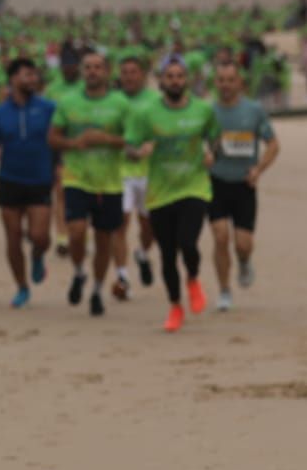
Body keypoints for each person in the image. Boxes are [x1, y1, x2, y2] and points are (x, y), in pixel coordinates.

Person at [126, 58, 216, 333]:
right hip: (160, 192)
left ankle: (193, 278)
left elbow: (215, 138)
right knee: (167, 253)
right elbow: (130, 146)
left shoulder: (203, 109)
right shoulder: (147, 113)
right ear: (161, 81)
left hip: (193, 186)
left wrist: (212, 153)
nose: (175, 81)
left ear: (187, 80)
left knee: (188, 242)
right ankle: (175, 305)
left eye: (179, 76)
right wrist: (139, 152)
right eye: (170, 76)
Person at [47, 51, 131, 317]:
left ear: (106, 72)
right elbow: (53, 138)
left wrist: (107, 139)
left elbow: (133, 139)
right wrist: (75, 143)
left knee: (104, 241)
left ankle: (96, 289)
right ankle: (79, 271)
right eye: (88, 67)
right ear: (82, 72)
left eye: (97, 67)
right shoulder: (68, 102)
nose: (92, 71)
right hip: (76, 178)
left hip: (109, 182)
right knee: (76, 231)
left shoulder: (120, 103)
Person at [0, 58, 57, 308]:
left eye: (34, 75)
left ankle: (37, 255)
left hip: (40, 179)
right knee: (13, 237)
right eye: (27, 75)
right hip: (10, 180)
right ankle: (22, 286)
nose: (32, 79)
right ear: (13, 79)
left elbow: (60, 137)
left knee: (40, 236)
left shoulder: (48, 108)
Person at [206, 61, 280, 311]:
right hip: (215, 182)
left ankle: (244, 261)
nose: (225, 85)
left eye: (230, 80)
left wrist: (258, 169)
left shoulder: (254, 110)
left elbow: (273, 144)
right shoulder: (207, 112)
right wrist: (205, 156)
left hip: (244, 184)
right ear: (215, 83)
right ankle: (224, 290)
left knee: (242, 244)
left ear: (240, 83)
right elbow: (196, 144)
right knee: (220, 236)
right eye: (221, 80)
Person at [115, 54, 160, 294]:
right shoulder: (112, 101)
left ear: (143, 75)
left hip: (149, 171)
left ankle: (142, 253)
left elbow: (165, 128)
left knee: (149, 225)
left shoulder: (155, 100)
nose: (129, 77)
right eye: (125, 72)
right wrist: (124, 147)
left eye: (133, 72)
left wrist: (152, 145)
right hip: (119, 171)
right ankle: (121, 276)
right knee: (120, 222)